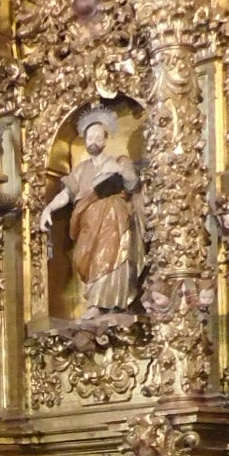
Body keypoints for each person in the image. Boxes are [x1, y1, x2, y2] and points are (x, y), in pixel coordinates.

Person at [38, 107, 144, 311]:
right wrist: (48, 209)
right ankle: (96, 301)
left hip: (114, 219)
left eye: (98, 136)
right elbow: (66, 195)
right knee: (86, 257)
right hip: (87, 223)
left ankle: (103, 304)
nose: (93, 140)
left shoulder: (116, 162)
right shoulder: (80, 169)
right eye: (89, 137)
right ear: (85, 141)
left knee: (114, 255)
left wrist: (125, 169)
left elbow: (133, 185)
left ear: (105, 140)